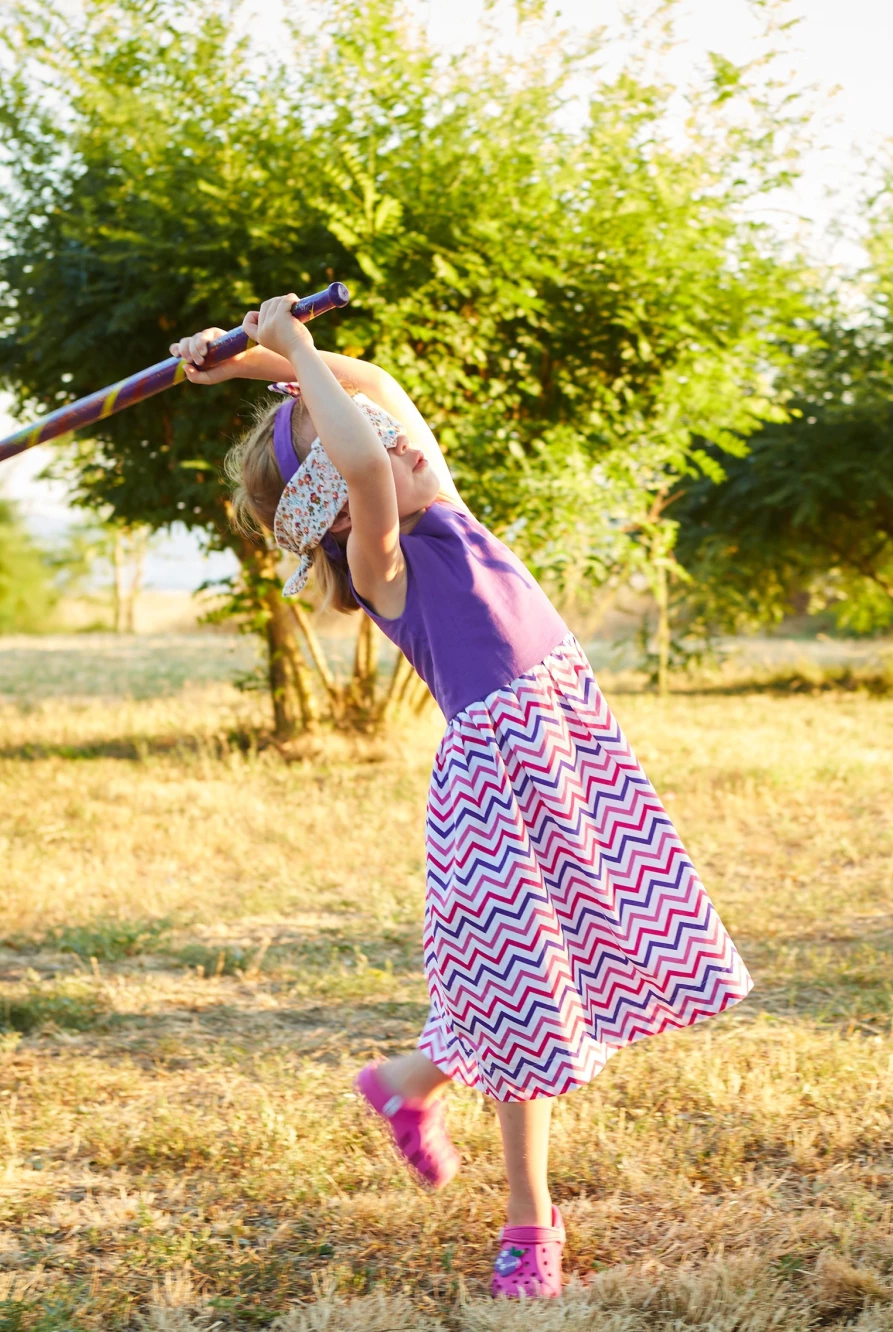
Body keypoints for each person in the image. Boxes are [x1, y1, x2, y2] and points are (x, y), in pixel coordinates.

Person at [172, 296, 752, 1300]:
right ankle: (530, 1220)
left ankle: (408, 1082)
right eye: (367, 441)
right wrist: (292, 347)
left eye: (386, 431)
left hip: (564, 757)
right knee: (527, 995)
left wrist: (249, 364)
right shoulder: (381, 562)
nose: (400, 437)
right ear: (335, 511)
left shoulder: (440, 502)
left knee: (557, 977)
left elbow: (375, 395)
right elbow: (364, 461)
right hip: (497, 791)